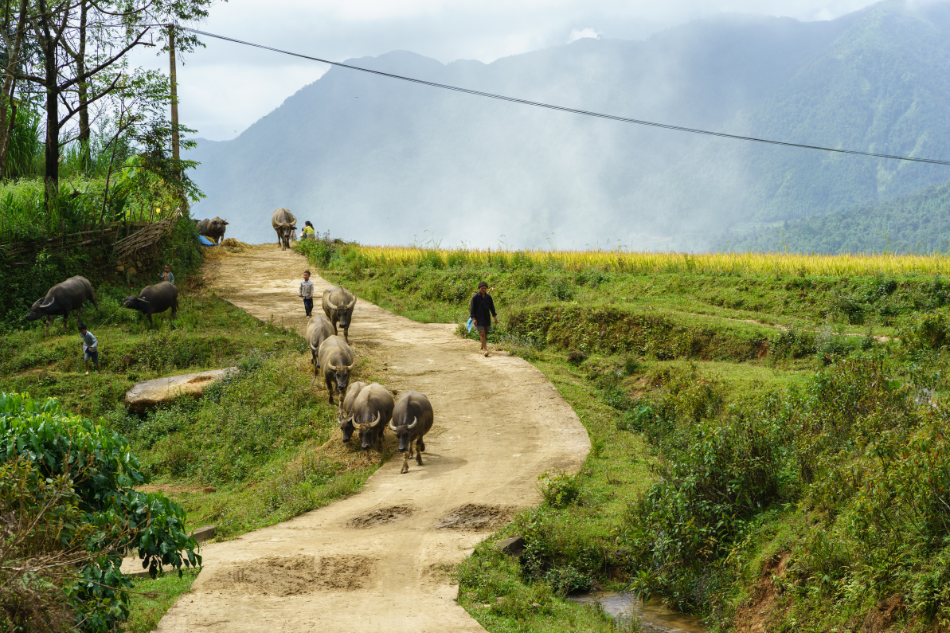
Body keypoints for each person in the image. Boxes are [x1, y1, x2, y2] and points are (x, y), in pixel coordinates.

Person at [469, 281, 498, 357]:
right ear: (479, 288)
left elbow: (492, 308)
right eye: (482, 288)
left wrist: (495, 317)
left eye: (485, 288)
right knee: (481, 332)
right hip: (478, 318)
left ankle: (482, 346)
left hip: (486, 317)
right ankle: (485, 350)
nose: (484, 290)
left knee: (485, 333)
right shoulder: (475, 297)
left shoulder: (488, 297)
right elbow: (472, 309)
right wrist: (474, 318)